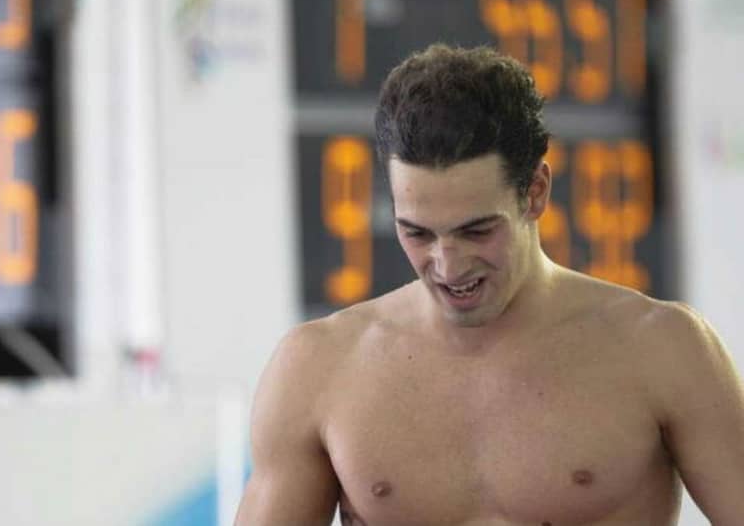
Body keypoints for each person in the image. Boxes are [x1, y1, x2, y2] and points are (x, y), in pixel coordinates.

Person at [234, 43, 744, 525]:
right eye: (417, 233)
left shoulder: (663, 349)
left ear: (535, 193)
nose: (448, 265)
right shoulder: (319, 366)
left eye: (476, 231)